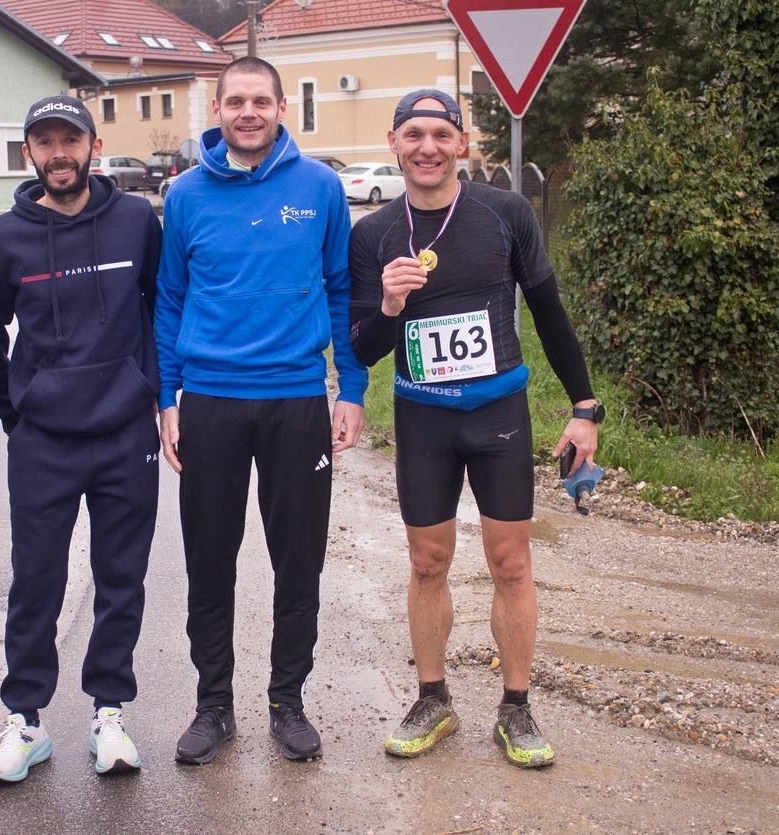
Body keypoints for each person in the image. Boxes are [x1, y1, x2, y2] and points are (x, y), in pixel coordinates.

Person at [348, 89, 602, 768]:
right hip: (422, 416)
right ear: (394, 144)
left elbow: (548, 312)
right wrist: (390, 304)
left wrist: (584, 407)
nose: (427, 148)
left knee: (511, 562)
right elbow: (363, 349)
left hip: (498, 415)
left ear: (462, 143)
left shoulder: (505, 212)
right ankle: (433, 699)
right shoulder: (373, 234)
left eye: (441, 134)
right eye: (413, 135)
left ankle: (516, 707)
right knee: (427, 562)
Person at [155, 57, 368, 765]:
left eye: (261, 101)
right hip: (211, 401)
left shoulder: (321, 187)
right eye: (235, 102)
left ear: (281, 108)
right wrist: (167, 396)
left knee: (298, 561)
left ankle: (287, 700)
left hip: (296, 399)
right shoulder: (185, 194)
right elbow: (170, 299)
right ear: (216, 110)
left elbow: (341, 289)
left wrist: (352, 388)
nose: (248, 112)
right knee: (209, 560)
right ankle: (213, 705)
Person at [0, 95, 162, 780]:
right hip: (43, 440)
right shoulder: (3, 239)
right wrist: (16, 413)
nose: (59, 154)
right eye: (45, 142)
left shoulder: (137, 221)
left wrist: (154, 393)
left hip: (125, 432)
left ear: (93, 146)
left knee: (120, 578)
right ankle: (25, 721)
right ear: (29, 153)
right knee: (36, 581)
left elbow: (161, 309)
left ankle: (109, 712)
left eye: (69, 140)